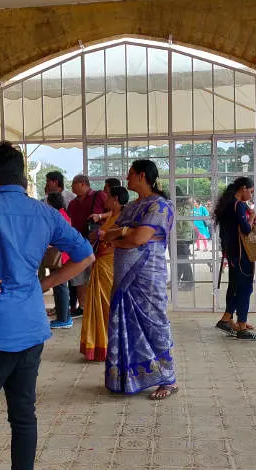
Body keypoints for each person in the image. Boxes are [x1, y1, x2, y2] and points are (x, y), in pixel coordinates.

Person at [0, 142, 94, 470]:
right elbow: (86, 256)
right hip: (30, 329)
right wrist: (44, 285)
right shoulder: (45, 212)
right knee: (23, 417)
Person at [103, 160, 177, 399]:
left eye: (130, 174)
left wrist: (122, 235)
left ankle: (167, 378)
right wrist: (123, 234)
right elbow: (111, 235)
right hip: (124, 273)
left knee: (154, 321)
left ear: (142, 176)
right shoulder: (133, 206)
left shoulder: (159, 205)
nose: (126, 178)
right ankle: (129, 377)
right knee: (124, 321)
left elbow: (139, 238)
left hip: (147, 274)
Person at [214, 177, 256, 340]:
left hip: (232, 252)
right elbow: (245, 229)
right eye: (250, 191)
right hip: (242, 253)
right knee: (245, 288)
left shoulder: (228, 205)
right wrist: (253, 217)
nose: (251, 195)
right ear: (243, 188)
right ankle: (241, 327)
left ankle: (227, 318)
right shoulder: (240, 205)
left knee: (236, 286)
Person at [81, 185, 127, 362]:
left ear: (115, 199)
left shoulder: (123, 216)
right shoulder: (114, 214)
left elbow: (122, 236)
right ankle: (102, 344)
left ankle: (112, 344)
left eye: (107, 197)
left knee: (108, 304)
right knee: (100, 304)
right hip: (102, 262)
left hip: (110, 263)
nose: (104, 200)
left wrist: (103, 235)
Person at [67, 174, 107, 316]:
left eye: (73, 183)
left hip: (97, 243)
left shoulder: (99, 196)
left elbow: (115, 211)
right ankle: (83, 307)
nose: (71, 187)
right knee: (77, 276)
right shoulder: (72, 203)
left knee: (94, 275)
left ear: (83, 184)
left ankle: (97, 306)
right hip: (78, 243)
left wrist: (100, 216)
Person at [45, 192, 73, 330]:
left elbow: (58, 236)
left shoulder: (58, 215)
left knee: (60, 286)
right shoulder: (62, 213)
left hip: (60, 255)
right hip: (63, 254)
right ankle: (63, 316)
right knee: (60, 286)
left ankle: (64, 318)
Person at [174, 187, 195, 291]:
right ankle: (179, 280)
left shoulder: (179, 208)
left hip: (181, 236)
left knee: (183, 260)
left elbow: (179, 225)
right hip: (187, 236)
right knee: (182, 259)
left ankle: (188, 283)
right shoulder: (187, 206)